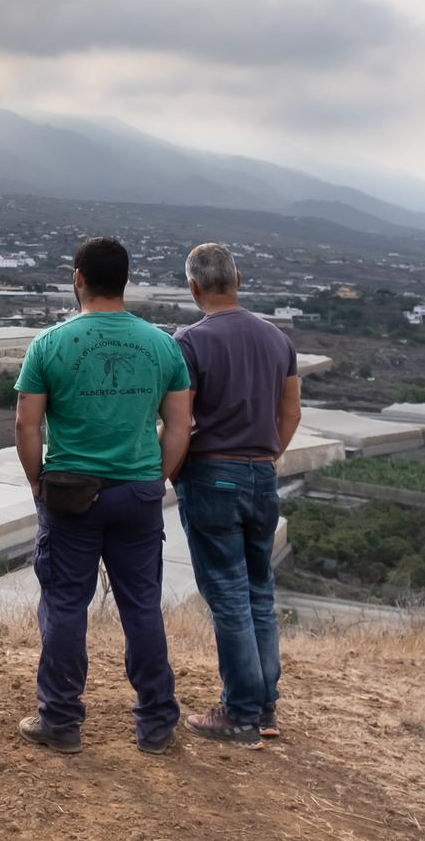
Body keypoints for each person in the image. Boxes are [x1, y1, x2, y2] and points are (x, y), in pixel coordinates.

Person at [12, 236, 191, 756]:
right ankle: (157, 725)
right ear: (125, 280)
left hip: (70, 494)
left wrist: (35, 482)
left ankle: (61, 722)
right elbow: (180, 427)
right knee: (142, 608)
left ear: (78, 279)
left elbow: (27, 425)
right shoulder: (163, 346)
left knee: (66, 606)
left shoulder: (49, 344)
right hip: (137, 493)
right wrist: (155, 478)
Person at [172, 242, 301, 749]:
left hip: (212, 477)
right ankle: (264, 706)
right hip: (262, 477)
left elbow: (182, 420)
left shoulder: (190, 341)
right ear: (239, 278)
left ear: (193, 287)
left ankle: (241, 713)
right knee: (259, 592)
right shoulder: (277, 339)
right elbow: (291, 412)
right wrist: (270, 456)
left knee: (226, 595)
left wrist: (174, 472)